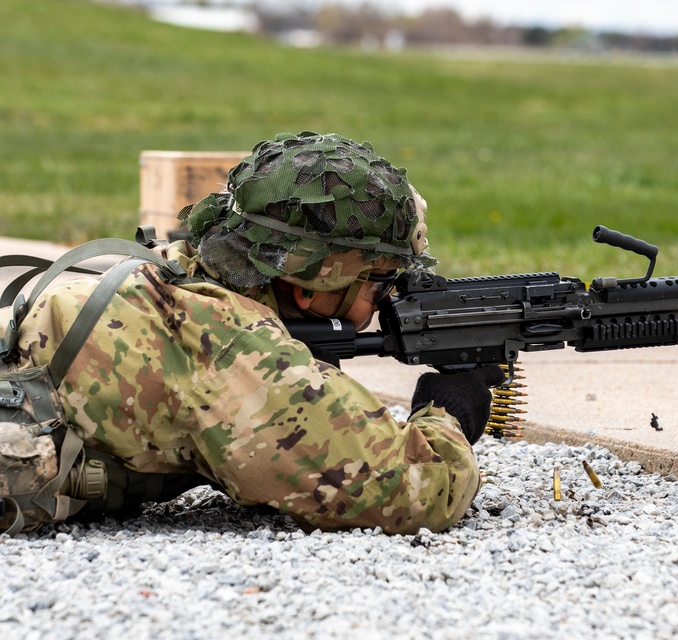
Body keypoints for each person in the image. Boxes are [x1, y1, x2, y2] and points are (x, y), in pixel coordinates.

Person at [0, 131, 503, 535]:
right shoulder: (234, 349)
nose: (386, 298)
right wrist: (450, 410)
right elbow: (415, 492)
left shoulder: (179, 274)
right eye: (380, 280)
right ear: (311, 288)